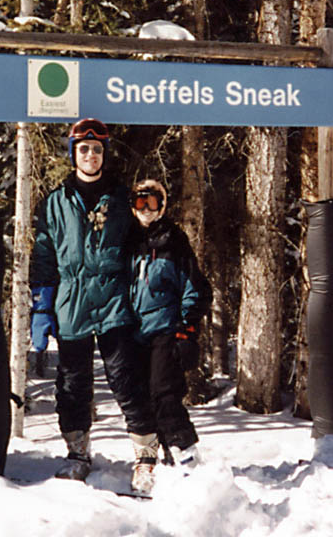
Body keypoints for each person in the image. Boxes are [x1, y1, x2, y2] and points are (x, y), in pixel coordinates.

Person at [30, 118, 157, 490]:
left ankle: (145, 458)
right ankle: (77, 453)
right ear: (73, 153)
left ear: (104, 154)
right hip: (71, 302)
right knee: (72, 383)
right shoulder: (55, 202)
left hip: (114, 299)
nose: (90, 155)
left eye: (97, 149)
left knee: (126, 378)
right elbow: (43, 256)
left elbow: (143, 247)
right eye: (83, 149)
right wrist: (42, 306)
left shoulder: (121, 198)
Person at [128, 178, 211, 485]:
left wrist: (187, 330)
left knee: (165, 394)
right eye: (140, 202)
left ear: (162, 206)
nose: (146, 209)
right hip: (135, 334)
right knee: (143, 400)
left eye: (152, 202)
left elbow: (196, 289)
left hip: (165, 329)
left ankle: (187, 456)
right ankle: (159, 461)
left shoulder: (174, 242)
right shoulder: (128, 241)